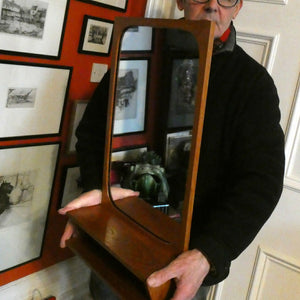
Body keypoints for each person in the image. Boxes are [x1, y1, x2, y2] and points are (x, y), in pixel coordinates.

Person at [59, 0, 285, 299]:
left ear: (238, 6)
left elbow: (261, 182)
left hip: (186, 260)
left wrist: (209, 253)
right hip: (118, 239)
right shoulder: (134, 51)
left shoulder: (253, 84)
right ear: (180, 1)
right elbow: (92, 133)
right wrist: (99, 190)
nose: (212, 6)